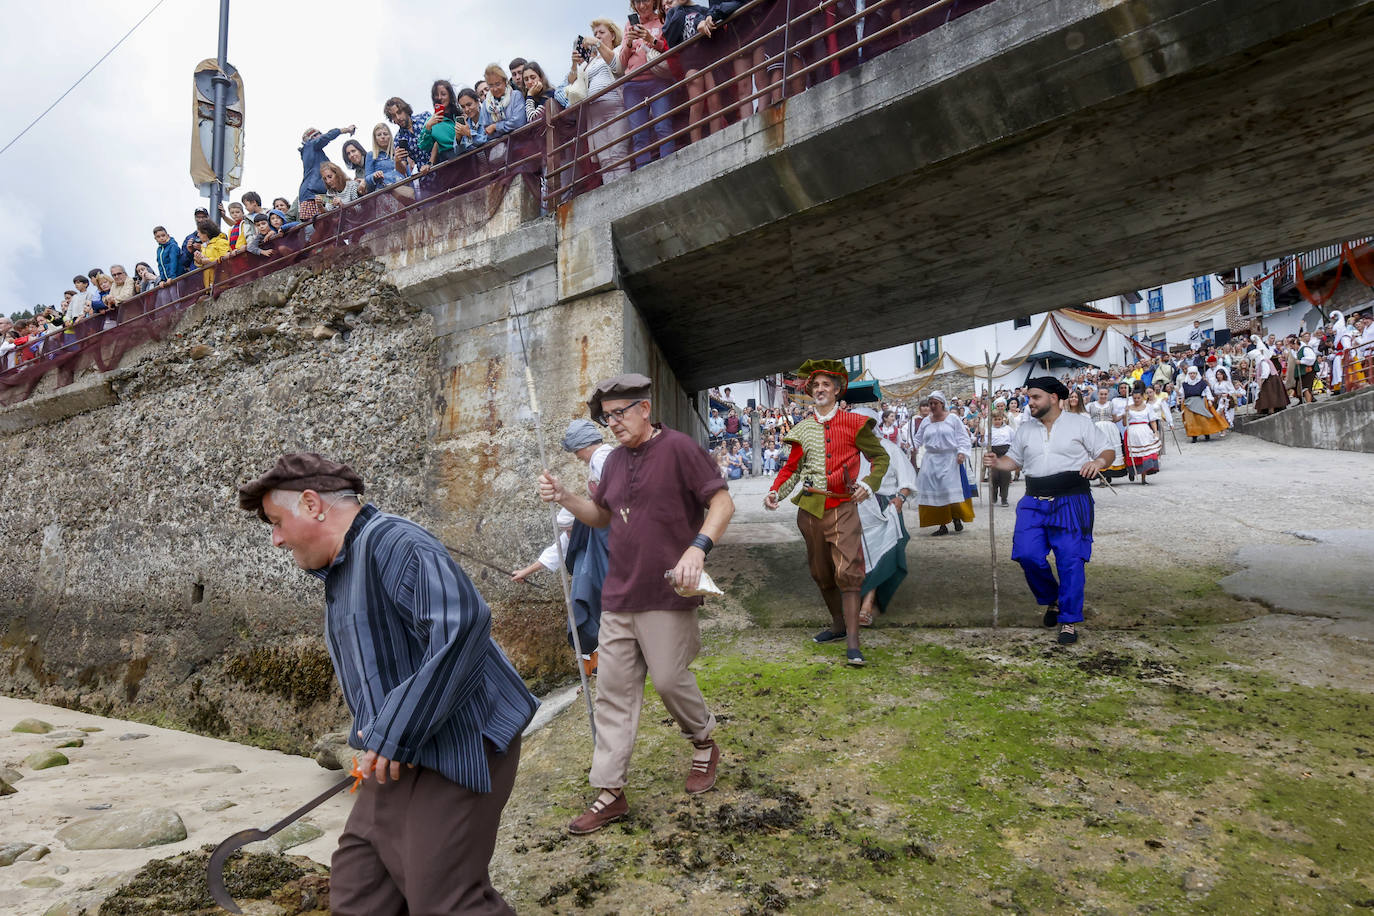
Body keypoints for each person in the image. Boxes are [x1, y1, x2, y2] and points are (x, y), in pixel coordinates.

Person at [237, 453, 536, 915]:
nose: (276, 539)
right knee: (358, 891)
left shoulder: (394, 542)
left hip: (460, 743)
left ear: (313, 504)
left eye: (276, 522)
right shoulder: (343, 567)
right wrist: (376, 737)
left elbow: (462, 629)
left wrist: (395, 733)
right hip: (397, 751)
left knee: (444, 900)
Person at [538, 373, 734, 835]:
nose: (614, 425)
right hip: (618, 593)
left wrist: (697, 547)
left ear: (644, 408)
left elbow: (722, 502)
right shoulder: (612, 464)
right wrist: (566, 497)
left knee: (668, 678)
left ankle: (703, 740)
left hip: (668, 589)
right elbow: (602, 517)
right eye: (607, 420)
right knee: (614, 693)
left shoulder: (681, 449)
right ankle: (610, 792)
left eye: (620, 414)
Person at [764, 359, 888, 667]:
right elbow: (791, 469)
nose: (820, 389)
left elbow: (880, 458)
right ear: (810, 391)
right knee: (821, 572)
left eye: (826, 385)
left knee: (848, 571)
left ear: (836, 390)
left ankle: (854, 645)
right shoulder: (802, 429)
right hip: (809, 509)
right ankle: (838, 626)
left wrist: (869, 485)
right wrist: (775, 492)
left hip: (843, 506)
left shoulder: (855, 423)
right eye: (815, 385)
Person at [983, 377, 1115, 646]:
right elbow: (1014, 460)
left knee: (1070, 560)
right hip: (1033, 501)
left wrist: (1099, 461)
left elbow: (1107, 450)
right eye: (1029, 397)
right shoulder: (1025, 429)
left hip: (1071, 500)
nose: (1029, 402)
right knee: (1027, 554)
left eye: (1035, 397)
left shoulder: (1079, 423)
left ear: (1053, 398)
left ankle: (1068, 618)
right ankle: (1053, 598)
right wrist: (998, 462)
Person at [513, 420, 614, 677]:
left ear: (582, 445)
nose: (577, 457)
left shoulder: (603, 457)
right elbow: (557, 549)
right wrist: (526, 571)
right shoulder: (578, 530)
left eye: (576, 451)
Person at [849, 406, 915, 627]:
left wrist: (900, 499)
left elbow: (906, 481)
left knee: (879, 557)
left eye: (866, 425)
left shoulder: (889, 448)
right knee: (856, 557)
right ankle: (856, 599)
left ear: (873, 426)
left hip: (883, 508)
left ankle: (868, 603)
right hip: (855, 508)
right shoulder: (848, 450)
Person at [571, 21, 632, 183]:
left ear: (612, 35)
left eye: (601, 32)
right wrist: (574, 64)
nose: (597, 35)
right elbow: (574, 83)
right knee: (604, 157)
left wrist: (597, 44)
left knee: (618, 152)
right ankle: (611, 194)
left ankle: (623, 190)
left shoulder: (619, 50)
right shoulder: (590, 61)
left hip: (615, 107)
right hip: (594, 113)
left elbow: (617, 66)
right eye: (595, 33)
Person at [619, 0, 676, 169]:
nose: (641, 6)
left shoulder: (663, 19)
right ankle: (644, 172)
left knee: (663, 126)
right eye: (637, 2)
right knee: (639, 135)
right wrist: (629, 43)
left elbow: (670, 51)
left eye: (645, 1)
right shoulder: (630, 24)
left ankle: (669, 167)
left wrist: (650, 39)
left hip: (658, 80)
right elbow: (621, 63)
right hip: (633, 84)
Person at [912, 390, 974, 537]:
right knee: (936, 493)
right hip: (931, 460)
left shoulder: (952, 419)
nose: (932, 406)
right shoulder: (926, 421)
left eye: (935, 403)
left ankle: (956, 517)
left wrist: (962, 453)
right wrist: (911, 447)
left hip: (949, 459)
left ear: (942, 404)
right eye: (930, 403)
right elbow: (917, 439)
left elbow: (963, 438)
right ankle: (942, 524)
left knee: (948, 490)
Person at [298, 125, 356, 220]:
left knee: (332, 221)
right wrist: (345, 130)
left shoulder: (316, 154)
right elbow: (326, 137)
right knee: (319, 226)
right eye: (318, 134)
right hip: (311, 196)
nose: (321, 135)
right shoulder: (310, 145)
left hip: (320, 195)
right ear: (311, 138)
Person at [1122, 387, 1160, 484]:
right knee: (1134, 455)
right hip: (1132, 432)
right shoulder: (1128, 408)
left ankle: (1144, 478)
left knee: (1145, 454)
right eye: (1134, 398)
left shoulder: (1148, 407)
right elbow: (1124, 423)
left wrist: (1155, 431)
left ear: (1142, 397)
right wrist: (1125, 414)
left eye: (1138, 398)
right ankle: (1132, 472)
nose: (1136, 400)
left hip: (1144, 431)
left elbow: (1152, 420)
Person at [481, 64, 528, 144]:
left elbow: (519, 122)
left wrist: (495, 126)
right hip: (499, 149)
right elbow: (486, 132)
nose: (495, 89)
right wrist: (507, 127)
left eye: (498, 84)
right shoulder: (486, 104)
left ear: (505, 81)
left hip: (521, 142)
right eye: (491, 85)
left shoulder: (515, 95)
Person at [420, 79, 463, 166]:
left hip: (468, 155)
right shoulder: (430, 121)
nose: (439, 98)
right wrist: (428, 128)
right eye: (436, 95)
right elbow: (424, 146)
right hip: (448, 163)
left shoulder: (461, 113)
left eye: (443, 94)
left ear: (450, 95)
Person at [1179, 366, 1228, 442]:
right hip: (1189, 403)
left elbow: (1207, 391)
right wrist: (1179, 396)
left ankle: (1206, 434)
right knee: (1191, 421)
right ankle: (1194, 436)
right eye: (1191, 373)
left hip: (1200, 402)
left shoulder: (1202, 383)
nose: (1192, 375)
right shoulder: (1185, 384)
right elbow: (1181, 393)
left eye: (1194, 373)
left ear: (1196, 374)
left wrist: (1209, 400)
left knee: (1203, 419)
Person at [384, 96, 432, 168]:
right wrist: (397, 161)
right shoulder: (398, 139)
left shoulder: (424, 117)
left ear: (405, 110)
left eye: (399, 112)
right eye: (393, 116)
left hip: (443, 163)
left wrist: (430, 163)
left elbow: (439, 137)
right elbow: (403, 170)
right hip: (425, 175)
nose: (398, 118)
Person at [1252, 334, 1287, 415]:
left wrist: (1261, 380)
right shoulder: (1261, 361)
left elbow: (1266, 371)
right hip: (1269, 379)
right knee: (1268, 395)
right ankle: (1267, 410)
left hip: (1269, 380)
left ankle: (1271, 410)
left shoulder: (1263, 361)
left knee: (1270, 395)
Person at [192, 219, 232, 287]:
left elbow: (226, 259)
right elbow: (201, 264)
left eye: (199, 232)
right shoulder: (204, 246)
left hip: (223, 282)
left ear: (206, 232)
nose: (198, 235)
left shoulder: (221, 242)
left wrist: (206, 261)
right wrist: (197, 260)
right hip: (209, 286)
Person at [987, 409, 1014, 506]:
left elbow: (1013, 440)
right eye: (995, 419)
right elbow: (984, 442)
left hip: (1005, 454)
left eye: (999, 419)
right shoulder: (989, 430)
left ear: (1002, 419)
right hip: (993, 453)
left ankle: (1004, 498)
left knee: (1005, 476)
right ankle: (993, 494)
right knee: (994, 476)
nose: (997, 421)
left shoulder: (1008, 429)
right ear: (992, 420)